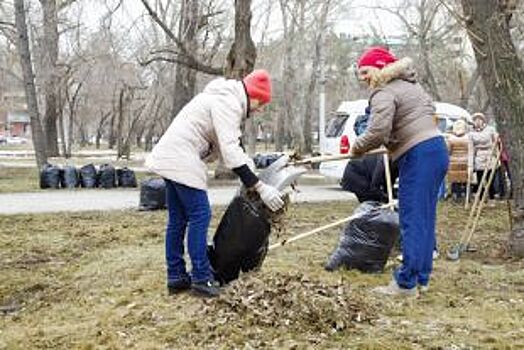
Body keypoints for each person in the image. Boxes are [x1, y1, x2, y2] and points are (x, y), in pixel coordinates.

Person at [146, 70, 285, 297]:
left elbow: (230, 147)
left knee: (178, 219)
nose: (261, 109)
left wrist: (251, 172)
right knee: (200, 214)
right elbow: (230, 153)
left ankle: (176, 277)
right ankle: (202, 278)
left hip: (169, 155)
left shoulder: (223, 99)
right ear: (252, 95)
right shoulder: (228, 103)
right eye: (262, 103)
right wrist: (259, 187)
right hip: (181, 158)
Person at [349, 46, 449, 296]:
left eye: (365, 71)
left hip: (418, 155)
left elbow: (377, 131)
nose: (362, 78)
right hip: (436, 150)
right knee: (424, 218)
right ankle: (421, 278)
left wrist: (357, 148)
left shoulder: (383, 90)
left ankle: (406, 283)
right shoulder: (411, 86)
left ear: (380, 67)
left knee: (412, 219)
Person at [469, 112, 498, 204]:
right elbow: (471, 149)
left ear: (483, 120)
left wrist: (497, 156)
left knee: (490, 179)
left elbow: (495, 142)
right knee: (480, 179)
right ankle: (481, 199)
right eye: (475, 120)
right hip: (479, 156)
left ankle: (492, 198)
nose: (477, 121)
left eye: (479, 119)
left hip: (490, 155)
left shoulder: (490, 129)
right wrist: (470, 165)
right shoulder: (471, 133)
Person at [447, 119, 473, 202]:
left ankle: (457, 195)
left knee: (455, 179)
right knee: (465, 179)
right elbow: (470, 149)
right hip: (465, 160)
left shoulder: (450, 138)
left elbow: (448, 151)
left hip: (454, 161)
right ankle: (466, 195)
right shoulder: (468, 137)